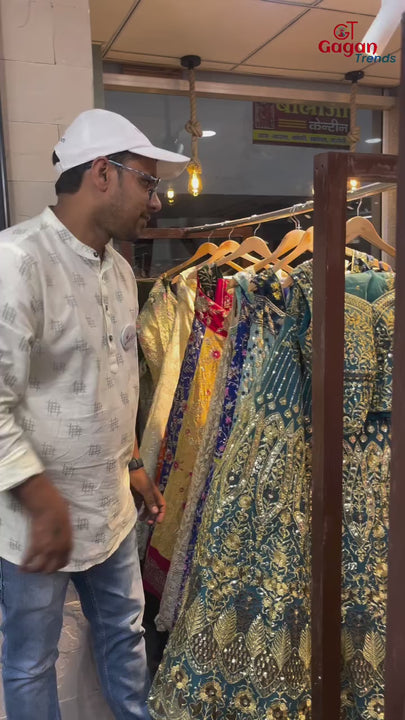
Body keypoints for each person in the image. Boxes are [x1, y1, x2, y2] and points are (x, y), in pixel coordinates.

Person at [0, 109, 189, 720]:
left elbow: (113, 382)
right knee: (31, 662)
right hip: (35, 521)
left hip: (109, 510)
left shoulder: (120, 271)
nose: (155, 201)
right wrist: (39, 498)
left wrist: (132, 463)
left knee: (124, 638)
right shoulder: (15, 261)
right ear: (103, 173)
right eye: (148, 181)